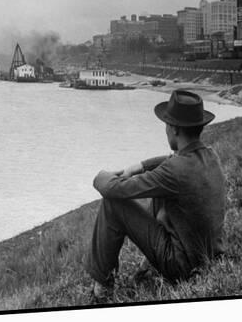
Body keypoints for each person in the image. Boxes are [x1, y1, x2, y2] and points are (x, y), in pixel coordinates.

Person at [86, 89, 226, 301]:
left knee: (113, 204)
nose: (165, 129)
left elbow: (112, 189)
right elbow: (171, 159)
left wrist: (100, 176)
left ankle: (102, 290)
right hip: (210, 255)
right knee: (159, 193)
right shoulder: (210, 155)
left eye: (166, 124)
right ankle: (149, 266)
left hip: (182, 268)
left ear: (174, 129)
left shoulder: (174, 172)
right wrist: (140, 166)